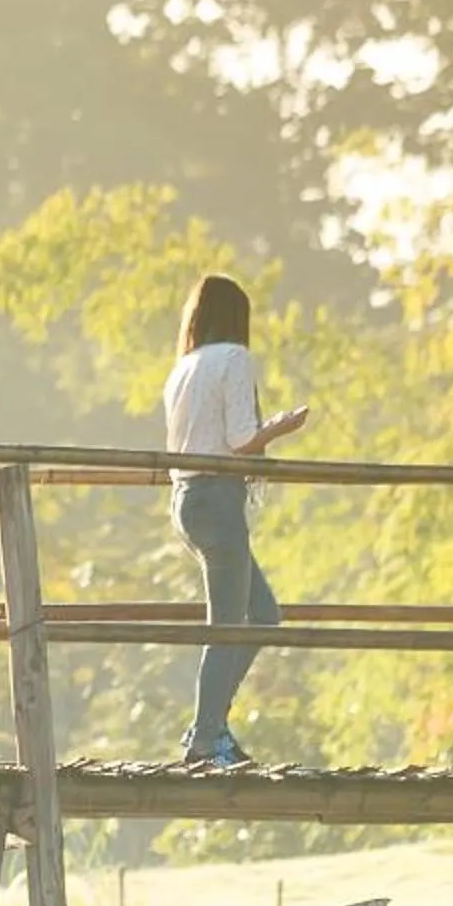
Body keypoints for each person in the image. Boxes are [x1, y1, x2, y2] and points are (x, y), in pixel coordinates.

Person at [163, 272, 309, 767]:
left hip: (186, 499)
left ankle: (211, 725)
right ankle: (206, 739)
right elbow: (242, 437)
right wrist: (282, 426)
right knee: (227, 625)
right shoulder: (234, 358)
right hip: (217, 499)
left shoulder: (183, 368)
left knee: (262, 615)